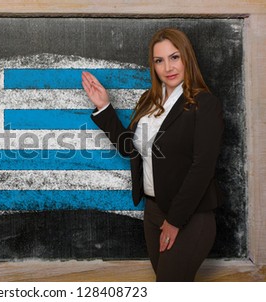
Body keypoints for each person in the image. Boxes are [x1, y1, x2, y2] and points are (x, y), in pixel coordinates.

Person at [82, 28, 224, 281]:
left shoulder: (204, 103)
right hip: (153, 211)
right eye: (159, 60)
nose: (168, 67)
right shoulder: (149, 100)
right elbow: (130, 150)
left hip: (189, 216)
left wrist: (175, 221)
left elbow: (202, 168)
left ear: (187, 59)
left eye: (174, 57)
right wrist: (104, 106)